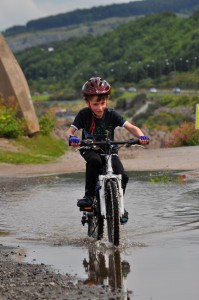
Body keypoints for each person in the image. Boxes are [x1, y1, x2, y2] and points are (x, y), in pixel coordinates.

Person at [66, 77, 149, 224]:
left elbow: (132, 128)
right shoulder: (83, 114)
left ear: (107, 100)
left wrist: (141, 137)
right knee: (95, 161)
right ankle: (89, 197)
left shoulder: (112, 114)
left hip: (109, 150)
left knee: (123, 176)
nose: (99, 108)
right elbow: (70, 131)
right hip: (89, 148)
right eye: (95, 104)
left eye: (102, 103)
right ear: (88, 103)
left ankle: (119, 206)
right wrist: (72, 138)